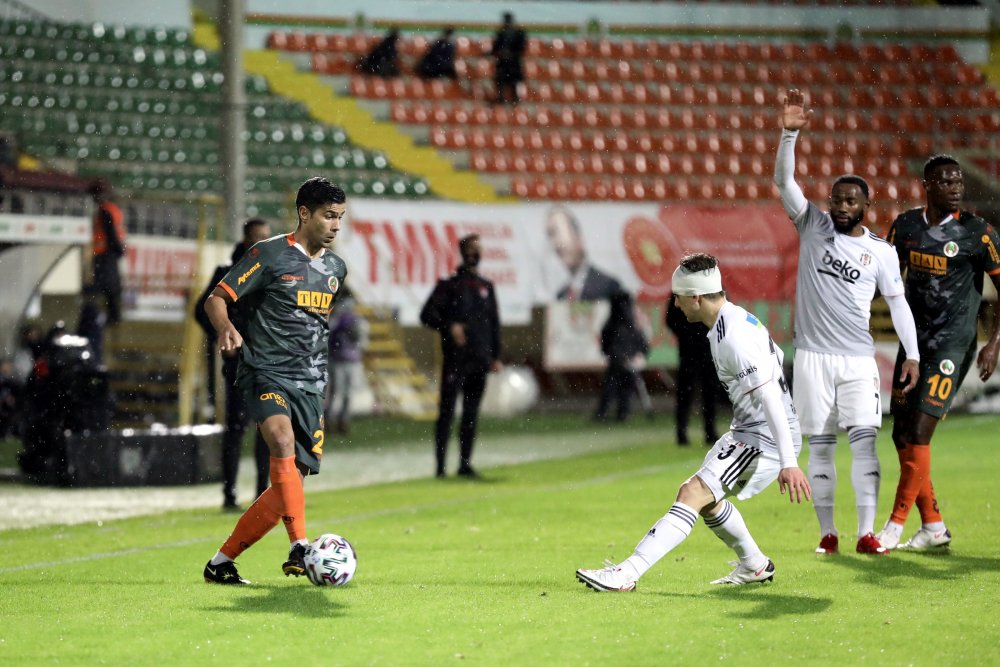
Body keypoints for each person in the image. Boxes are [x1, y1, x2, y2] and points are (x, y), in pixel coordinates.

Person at [576, 253, 811, 592]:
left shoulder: (734, 338)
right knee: (708, 499)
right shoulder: (730, 321)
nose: (675, 303)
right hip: (751, 431)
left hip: (763, 439)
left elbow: (770, 396)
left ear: (697, 297)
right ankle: (755, 564)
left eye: (679, 297)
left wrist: (788, 462)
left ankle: (627, 573)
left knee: (693, 492)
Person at [774, 88, 921, 556]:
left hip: (858, 360)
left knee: (863, 443)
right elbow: (783, 182)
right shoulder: (812, 225)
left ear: (866, 205)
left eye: (850, 201)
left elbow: (898, 305)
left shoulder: (881, 252)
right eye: (836, 199)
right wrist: (789, 135)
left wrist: (913, 354)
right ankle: (827, 533)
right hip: (812, 357)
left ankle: (865, 533)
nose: (840, 206)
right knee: (820, 446)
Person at [201, 177, 348, 585]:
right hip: (265, 371)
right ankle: (300, 545)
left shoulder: (336, 269)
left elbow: (316, 325)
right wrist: (226, 328)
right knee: (280, 442)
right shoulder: (268, 254)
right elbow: (216, 299)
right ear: (304, 213)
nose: (336, 225)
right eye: (328, 216)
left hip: (311, 384)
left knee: (289, 485)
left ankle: (220, 563)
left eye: (340, 217)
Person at [876, 154, 1000, 551]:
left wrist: (993, 343)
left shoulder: (978, 233)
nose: (955, 187)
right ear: (927, 186)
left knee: (919, 431)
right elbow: (885, 279)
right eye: (946, 182)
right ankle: (933, 526)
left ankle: (894, 526)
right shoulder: (905, 227)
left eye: (958, 181)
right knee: (900, 433)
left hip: (953, 345)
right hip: (913, 345)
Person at [195, 218, 273, 511]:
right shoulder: (227, 272)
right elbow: (202, 310)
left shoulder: (271, 272)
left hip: (267, 363)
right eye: (257, 237)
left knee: (268, 428)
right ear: (245, 240)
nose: (262, 243)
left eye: (266, 237)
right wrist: (225, 333)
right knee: (237, 427)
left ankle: (262, 493)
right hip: (240, 364)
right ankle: (229, 493)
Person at [420, 234, 502, 479]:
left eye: (479, 249)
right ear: (463, 252)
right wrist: (449, 326)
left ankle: (465, 464)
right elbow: (427, 315)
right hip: (455, 359)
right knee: (446, 412)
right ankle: (440, 467)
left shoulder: (486, 287)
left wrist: (495, 355)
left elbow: (494, 324)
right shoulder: (449, 286)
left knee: (471, 413)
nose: (475, 254)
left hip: (479, 359)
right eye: (472, 249)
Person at [666, 293, 719, 445]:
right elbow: (670, 319)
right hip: (692, 351)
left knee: (707, 393)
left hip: (703, 351)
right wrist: (686, 334)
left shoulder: (709, 289)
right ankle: (683, 433)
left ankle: (708, 431)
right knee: (687, 393)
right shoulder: (683, 290)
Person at [546, 206, 621, 301]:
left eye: (559, 232)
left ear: (579, 236)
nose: (557, 243)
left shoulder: (608, 287)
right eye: (551, 235)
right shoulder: (561, 295)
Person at [594, 290, 648, 422]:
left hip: (618, 360)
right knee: (624, 388)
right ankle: (622, 413)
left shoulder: (613, 323)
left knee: (612, 387)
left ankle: (604, 413)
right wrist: (636, 354)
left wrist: (614, 354)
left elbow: (607, 342)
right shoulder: (629, 322)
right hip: (625, 359)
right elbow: (640, 342)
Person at [325, 287, 366, 435]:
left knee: (347, 393)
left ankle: (343, 421)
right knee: (335, 392)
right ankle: (328, 420)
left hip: (351, 360)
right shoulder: (336, 316)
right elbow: (329, 331)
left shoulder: (355, 318)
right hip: (337, 360)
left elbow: (361, 340)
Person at [88, 179, 127, 325]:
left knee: (106, 285)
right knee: (112, 285)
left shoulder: (104, 211)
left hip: (105, 253)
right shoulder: (114, 209)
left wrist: (116, 248)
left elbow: (110, 233)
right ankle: (113, 316)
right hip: (109, 252)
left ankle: (112, 316)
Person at [490, 12, 526, 105]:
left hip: (513, 62)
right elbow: (495, 47)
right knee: (501, 81)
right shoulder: (501, 33)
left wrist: (510, 54)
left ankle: (514, 99)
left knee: (513, 82)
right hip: (503, 62)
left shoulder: (519, 33)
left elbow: (521, 48)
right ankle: (501, 98)